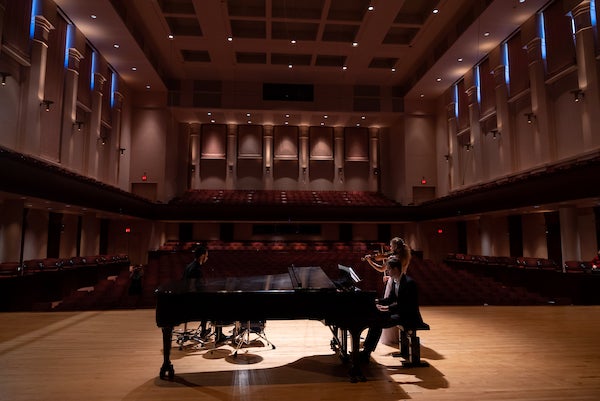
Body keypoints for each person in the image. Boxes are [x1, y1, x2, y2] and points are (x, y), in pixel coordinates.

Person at [360, 252, 426, 363]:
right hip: (400, 312)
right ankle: (366, 351)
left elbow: (406, 305)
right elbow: (390, 299)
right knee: (376, 320)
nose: (387, 272)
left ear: (395, 269)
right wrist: (376, 301)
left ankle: (366, 353)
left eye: (389, 269)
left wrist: (387, 309)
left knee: (377, 323)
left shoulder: (409, 283)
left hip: (409, 316)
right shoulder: (396, 281)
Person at [183, 245, 211, 338]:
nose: (207, 258)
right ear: (202, 256)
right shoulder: (196, 269)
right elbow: (198, 289)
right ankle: (205, 332)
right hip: (192, 303)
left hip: (186, 300)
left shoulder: (189, 266)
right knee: (213, 306)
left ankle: (204, 330)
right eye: (206, 256)